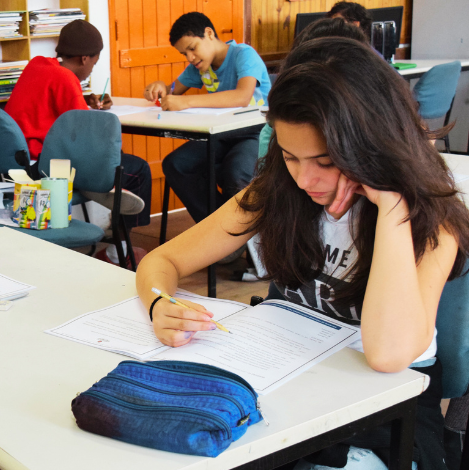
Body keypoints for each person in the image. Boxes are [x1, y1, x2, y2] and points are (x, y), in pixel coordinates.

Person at [136, 38, 469, 470]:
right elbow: (161, 261)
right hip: (286, 392)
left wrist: (390, 203)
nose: (305, 178)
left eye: (326, 160)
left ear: (375, 143)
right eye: (291, 157)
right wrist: (161, 302)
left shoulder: (430, 221)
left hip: (382, 420)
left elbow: (387, 356)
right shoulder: (280, 190)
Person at [4, 19, 153, 231]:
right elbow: (90, 139)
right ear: (84, 58)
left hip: (25, 160)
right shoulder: (65, 78)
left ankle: (97, 186)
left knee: (115, 165)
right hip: (48, 167)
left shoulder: (37, 64)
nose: (92, 69)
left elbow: (61, 110)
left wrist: (85, 101)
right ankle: (118, 247)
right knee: (137, 169)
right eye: (94, 62)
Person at [143, 12, 270, 225]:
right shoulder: (200, 65)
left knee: (236, 171)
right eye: (185, 53)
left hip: (255, 132)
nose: (190, 58)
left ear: (209, 34)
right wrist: (160, 87)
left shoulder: (244, 54)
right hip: (221, 134)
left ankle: (241, 235)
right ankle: (219, 229)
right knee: (176, 164)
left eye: (192, 48)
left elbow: (242, 96)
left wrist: (188, 102)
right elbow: (173, 91)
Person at [258, 18, 369, 157]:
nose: (304, 179)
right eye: (290, 158)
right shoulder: (275, 131)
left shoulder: (378, 133)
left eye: (325, 163)